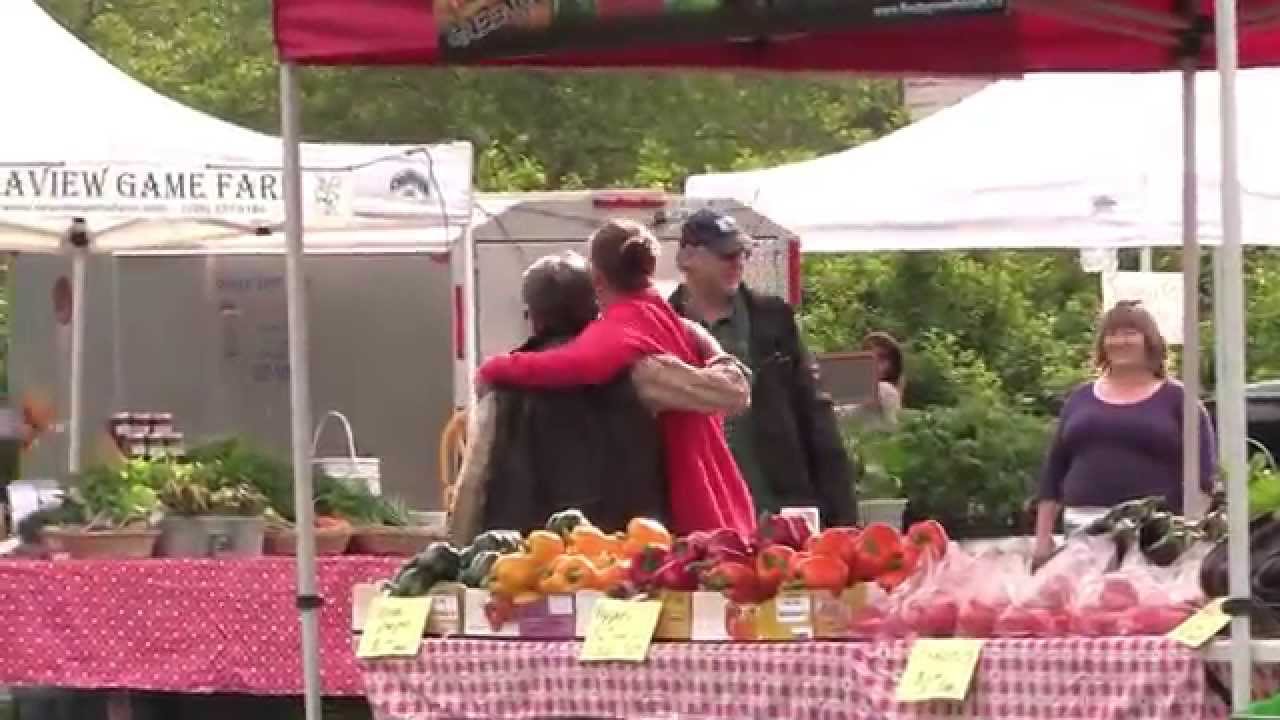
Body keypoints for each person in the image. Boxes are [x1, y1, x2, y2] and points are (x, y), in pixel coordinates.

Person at [476, 221, 757, 536]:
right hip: (718, 487)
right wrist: (716, 352)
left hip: (688, 502)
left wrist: (496, 367)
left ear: (597, 278)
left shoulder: (620, 332)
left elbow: (571, 363)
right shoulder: (663, 316)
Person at [669, 208, 858, 527]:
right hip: (697, 515)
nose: (737, 263)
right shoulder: (664, 324)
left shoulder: (772, 318)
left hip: (777, 509)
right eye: (725, 254)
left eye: (742, 253)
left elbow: (815, 414)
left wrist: (843, 515)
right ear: (687, 257)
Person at [1033, 301, 1216, 565]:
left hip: (1153, 536)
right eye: (1112, 334)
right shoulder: (1080, 399)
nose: (1120, 341)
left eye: (1130, 333)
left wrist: (1185, 536)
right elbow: (1053, 473)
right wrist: (1043, 538)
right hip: (1082, 531)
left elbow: (1205, 478)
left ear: (1150, 341)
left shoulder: (1179, 401)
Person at [848, 331, 905, 428]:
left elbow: (892, 428)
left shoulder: (885, 389)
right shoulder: (852, 390)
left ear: (893, 364)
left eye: (881, 358)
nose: (874, 362)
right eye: (868, 356)